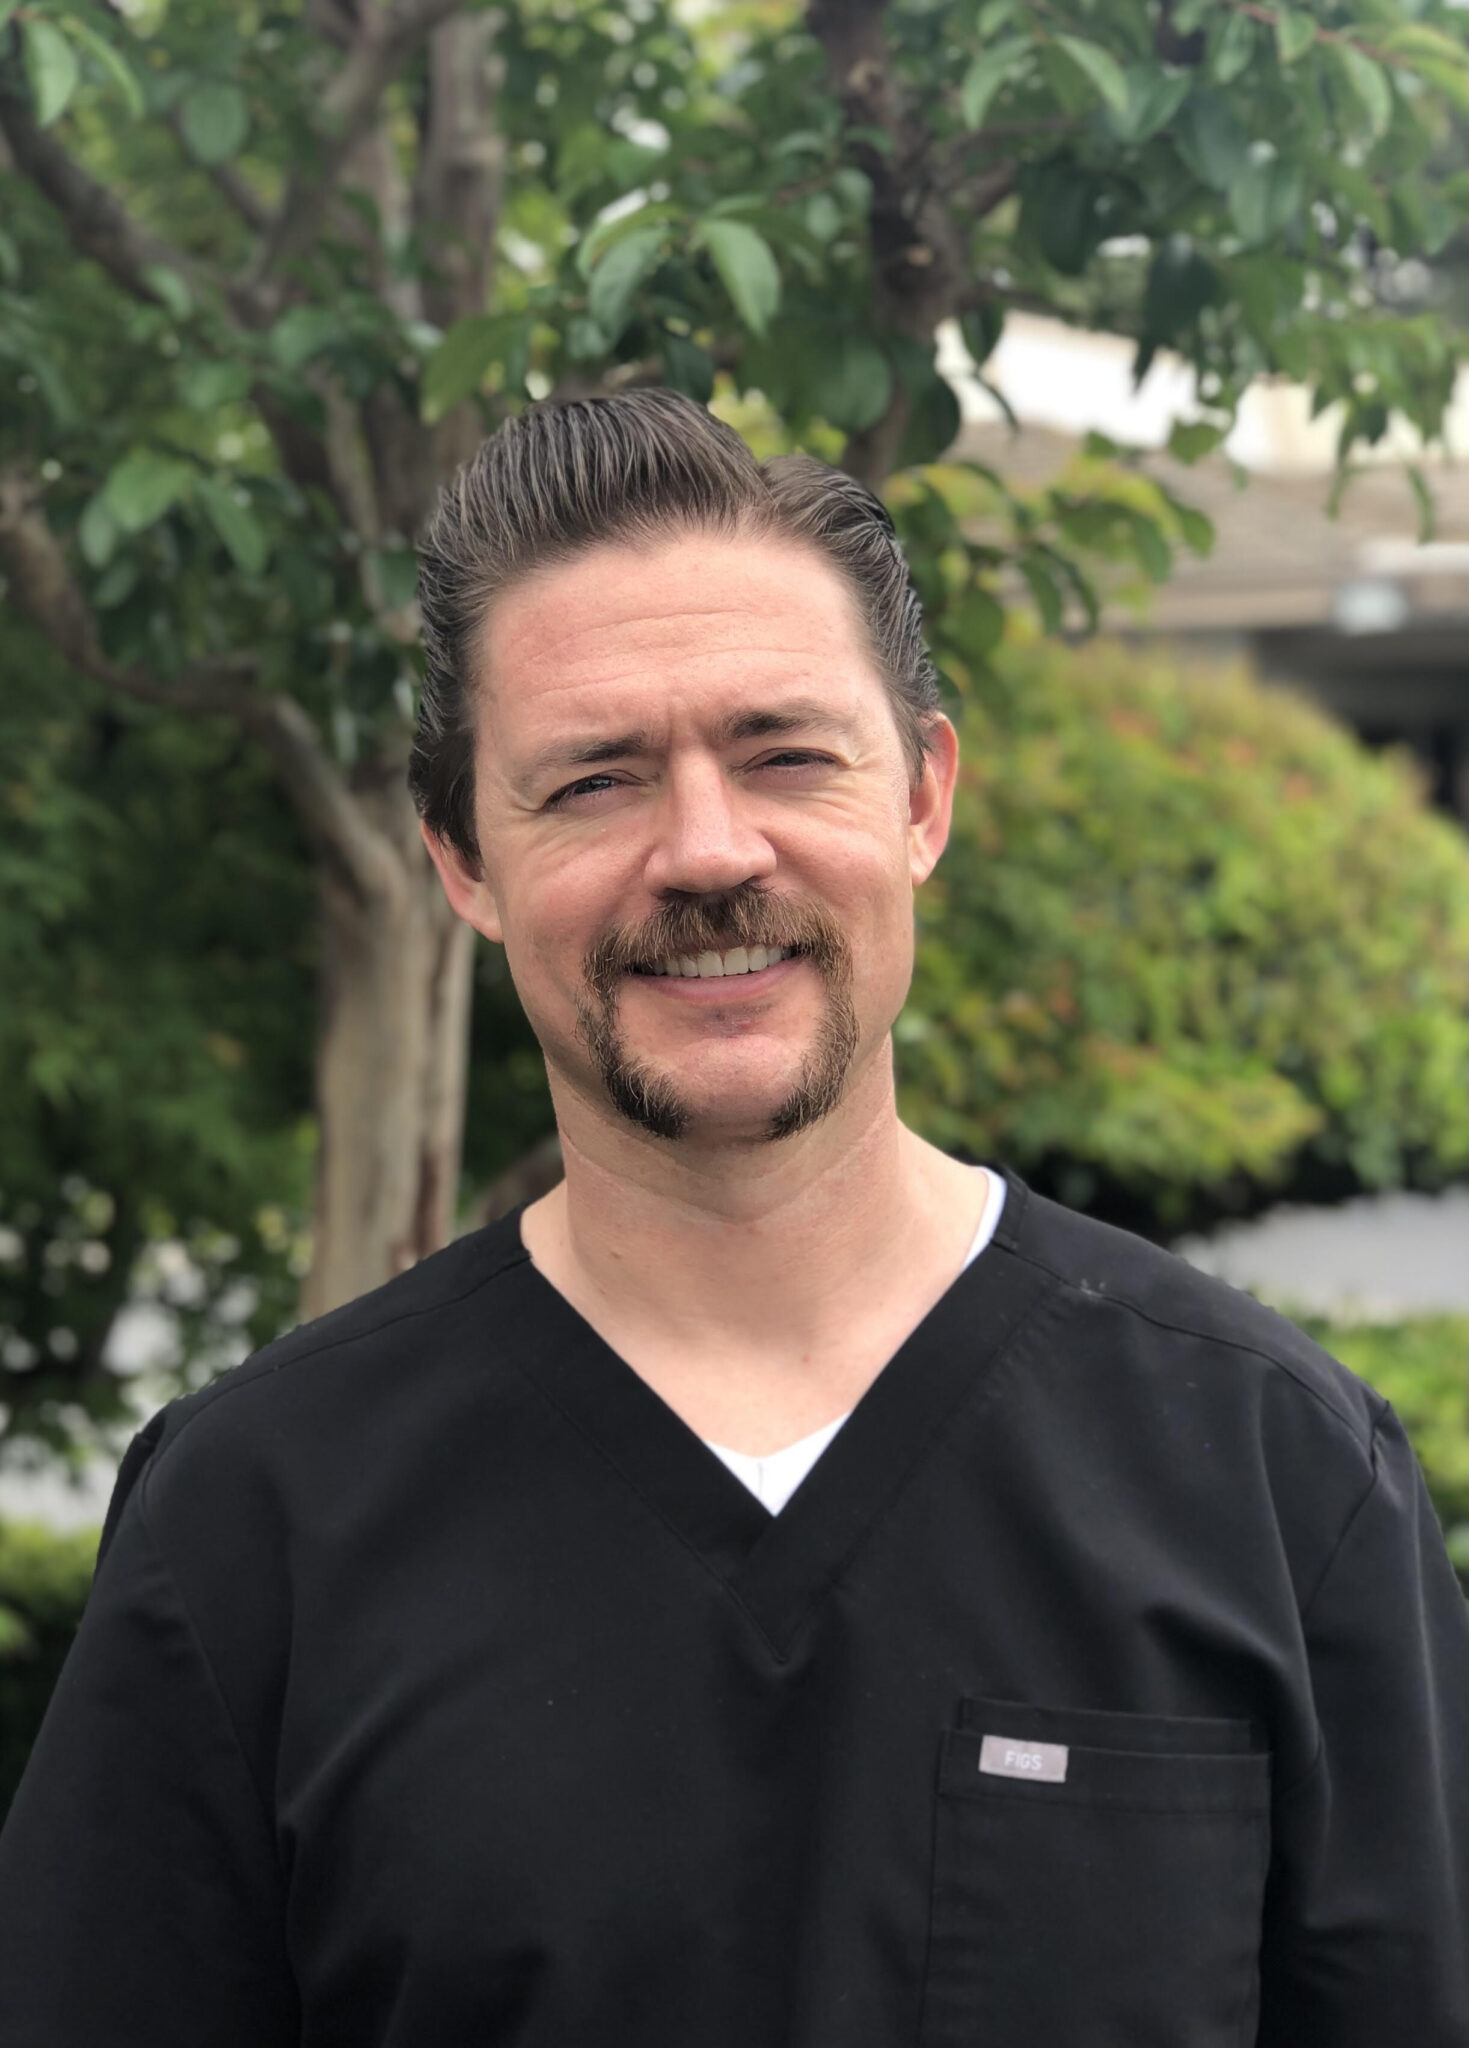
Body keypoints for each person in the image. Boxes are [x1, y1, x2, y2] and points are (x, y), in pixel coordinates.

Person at [1, 389, 1465, 2048]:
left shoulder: (1272, 1479)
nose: (705, 852)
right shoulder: (255, 1522)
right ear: (463, 859)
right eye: (593, 782)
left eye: (782, 754)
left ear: (919, 799)